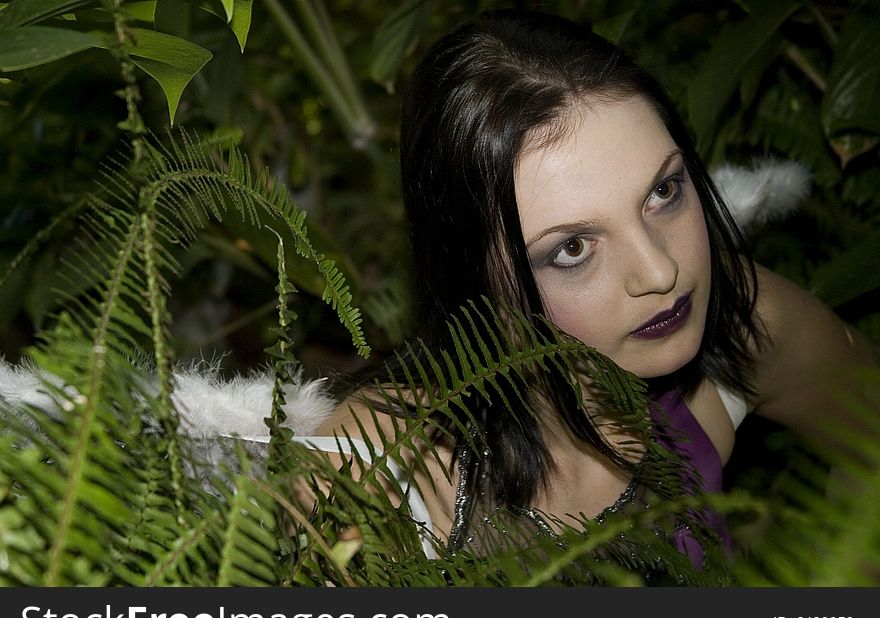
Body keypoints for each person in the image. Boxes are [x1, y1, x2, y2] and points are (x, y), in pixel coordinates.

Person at [299, 9, 878, 577]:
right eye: (572, 248)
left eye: (664, 192)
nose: (659, 271)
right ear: (470, 276)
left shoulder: (740, 323)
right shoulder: (377, 471)